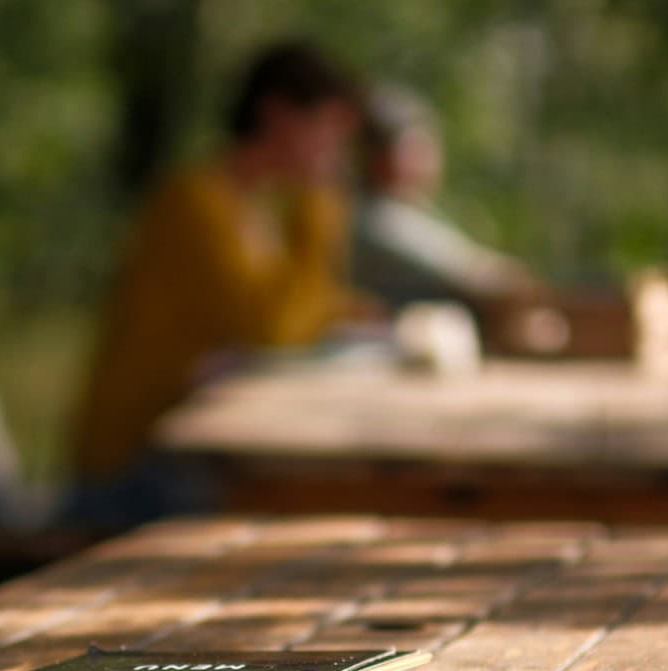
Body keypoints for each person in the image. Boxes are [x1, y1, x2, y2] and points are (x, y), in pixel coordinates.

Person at [72, 40, 364, 488]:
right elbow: (271, 334)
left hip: (188, 448)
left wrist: (346, 310)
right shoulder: (196, 203)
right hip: (137, 462)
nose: (335, 156)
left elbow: (293, 315)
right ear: (278, 115)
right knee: (315, 494)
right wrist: (319, 211)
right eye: (328, 132)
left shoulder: (252, 210)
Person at [349, 83, 531, 312]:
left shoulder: (408, 211)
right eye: (418, 150)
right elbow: (477, 275)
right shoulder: (376, 218)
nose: (431, 161)